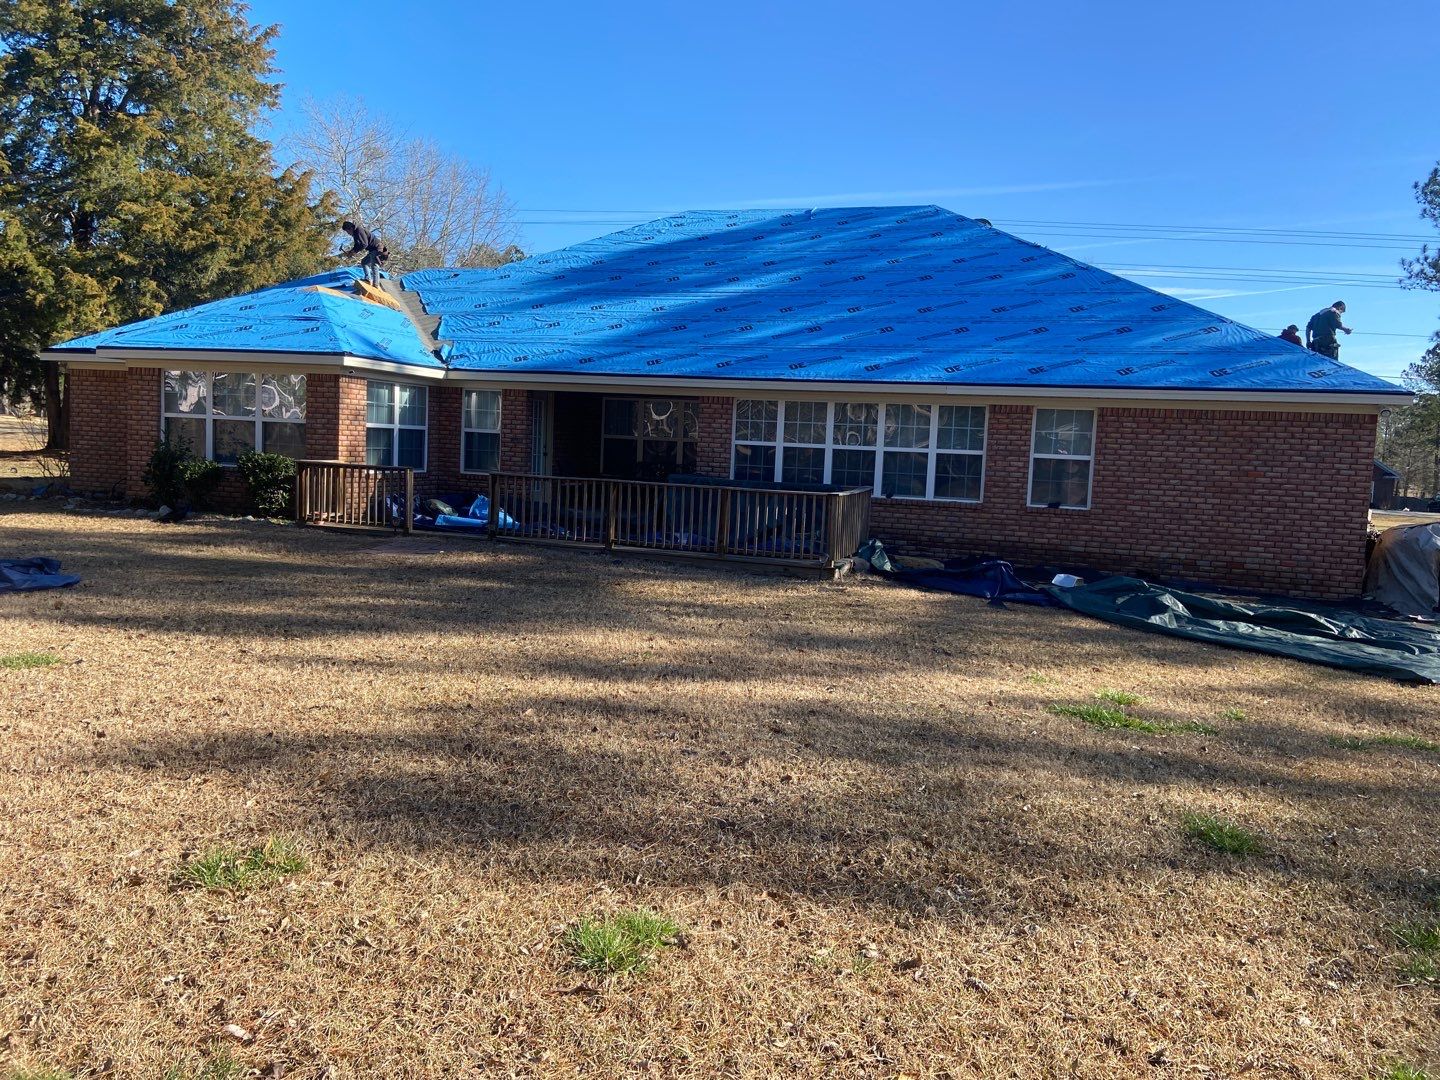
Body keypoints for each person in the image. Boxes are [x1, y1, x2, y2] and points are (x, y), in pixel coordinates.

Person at [341, 220, 386, 286]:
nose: (348, 233)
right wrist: (351, 252)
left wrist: (355, 252)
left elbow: (364, 244)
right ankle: (368, 279)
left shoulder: (359, 230)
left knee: (374, 265)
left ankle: (376, 284)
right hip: (372, 250)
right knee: (364, 262)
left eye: (347, 231)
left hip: (377, 248)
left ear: (350, 228)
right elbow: (357, 245)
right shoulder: (355, 234)